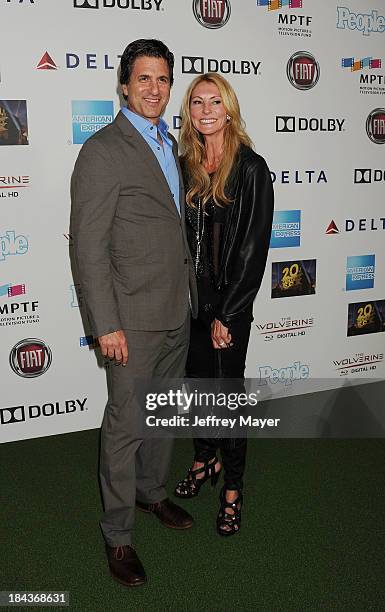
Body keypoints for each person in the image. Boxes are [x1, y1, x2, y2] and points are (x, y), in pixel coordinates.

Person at [71, 39, 197, 587]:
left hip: (177, 309)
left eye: (163, 79)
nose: (154, 89)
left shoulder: (170, 143)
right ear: (123, 84)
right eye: (143, 78)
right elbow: (88, 246)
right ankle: (118, 535)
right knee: (125, 424)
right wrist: (106, 323)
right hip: (131, 318)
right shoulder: (103, 149)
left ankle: (152, 494)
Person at [174, 73, 274, 536]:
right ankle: (203, 459)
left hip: (228, 303)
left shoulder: (251, 167)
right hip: (191, 301)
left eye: (216, 101)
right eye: (198, 102)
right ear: (189, 112)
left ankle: (232, 488)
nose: (207, 109)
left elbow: (253, 249)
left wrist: (228, 315)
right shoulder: (187, 162)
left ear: (229, 109)